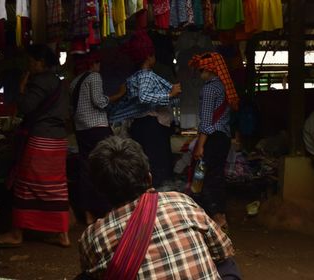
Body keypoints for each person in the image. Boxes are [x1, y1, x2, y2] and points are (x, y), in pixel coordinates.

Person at [77, 136, 239, 279]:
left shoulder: (92, 238)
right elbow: (223, 250)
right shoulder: (182, 202)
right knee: (226, 264)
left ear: (99, 190)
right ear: (149, 178)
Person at [0, 44, 70, 247]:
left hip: (40, 140)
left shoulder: (40, 81)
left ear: (40, 62)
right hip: (59, 141)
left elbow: (25, 108)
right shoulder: (59, 83)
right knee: (56, 187)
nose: (29, 66)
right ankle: (63, 234)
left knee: (24, 185)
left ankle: (17, 233)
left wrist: (22, 88)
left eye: (31, 62)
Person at [108, 31, 181, 187]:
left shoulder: (134, 77)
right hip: (151, 128)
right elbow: (144, 97)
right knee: (157, 168)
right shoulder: (146, 75)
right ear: (149, 57)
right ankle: (157, 203)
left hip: (140, 127)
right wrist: (169, 95)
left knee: (144, 167)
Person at [70, 51, 125, 225]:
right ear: (93, 64)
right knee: (106, 166)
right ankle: (106, 210)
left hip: (81, 129)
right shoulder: (94, 77)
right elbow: (100, 102)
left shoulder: (74, 82)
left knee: (86, 169)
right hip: (97, 128)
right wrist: (120, 94)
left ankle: (87, 213)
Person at [188, 52, 239, 230]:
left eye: (201, 70)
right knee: (216, 176)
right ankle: (219, 215)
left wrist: (200, 146)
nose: (200, 73)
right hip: (223, 138)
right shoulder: (223, 87)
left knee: (202, 176)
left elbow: (207, 122)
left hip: (212, 139)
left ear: (208, 70)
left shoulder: (209, 89)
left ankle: (214, 216)